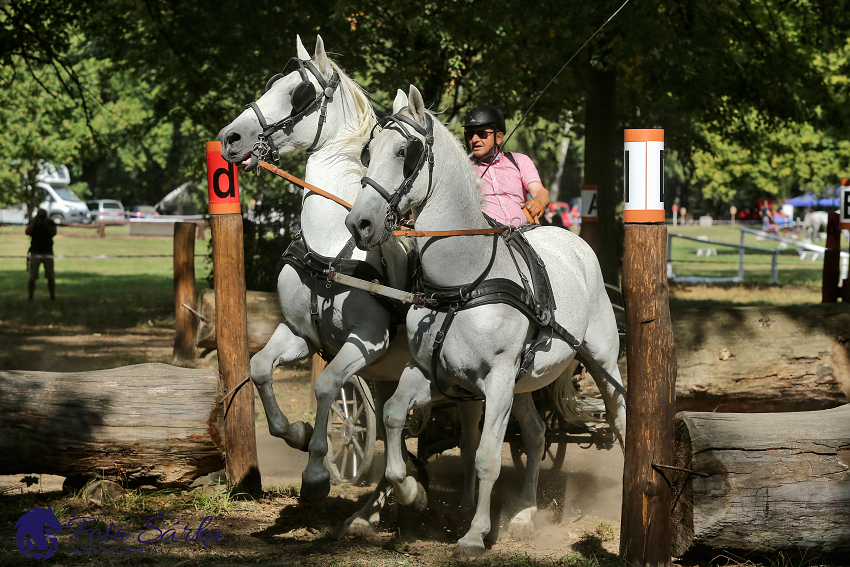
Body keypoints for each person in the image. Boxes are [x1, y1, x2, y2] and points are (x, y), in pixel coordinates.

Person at [463, 105, 550, 226]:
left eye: (482, 133)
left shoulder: (520, 161)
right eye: (470, 134)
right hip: (484, 236)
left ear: (499, 137)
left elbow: (539, 190)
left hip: (524, 233)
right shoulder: (462, 167)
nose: (475, 139)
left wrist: (540, 202)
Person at [25, 208, 57, 300]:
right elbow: (27, 232)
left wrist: (45, 224)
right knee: (32, 276)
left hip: (47, 252)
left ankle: (52, 295)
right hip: (35, 252)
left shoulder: (50, 222)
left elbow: (53, 233)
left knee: (50, 276)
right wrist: (35, 222)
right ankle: (30, 296)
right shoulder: (34, 222)